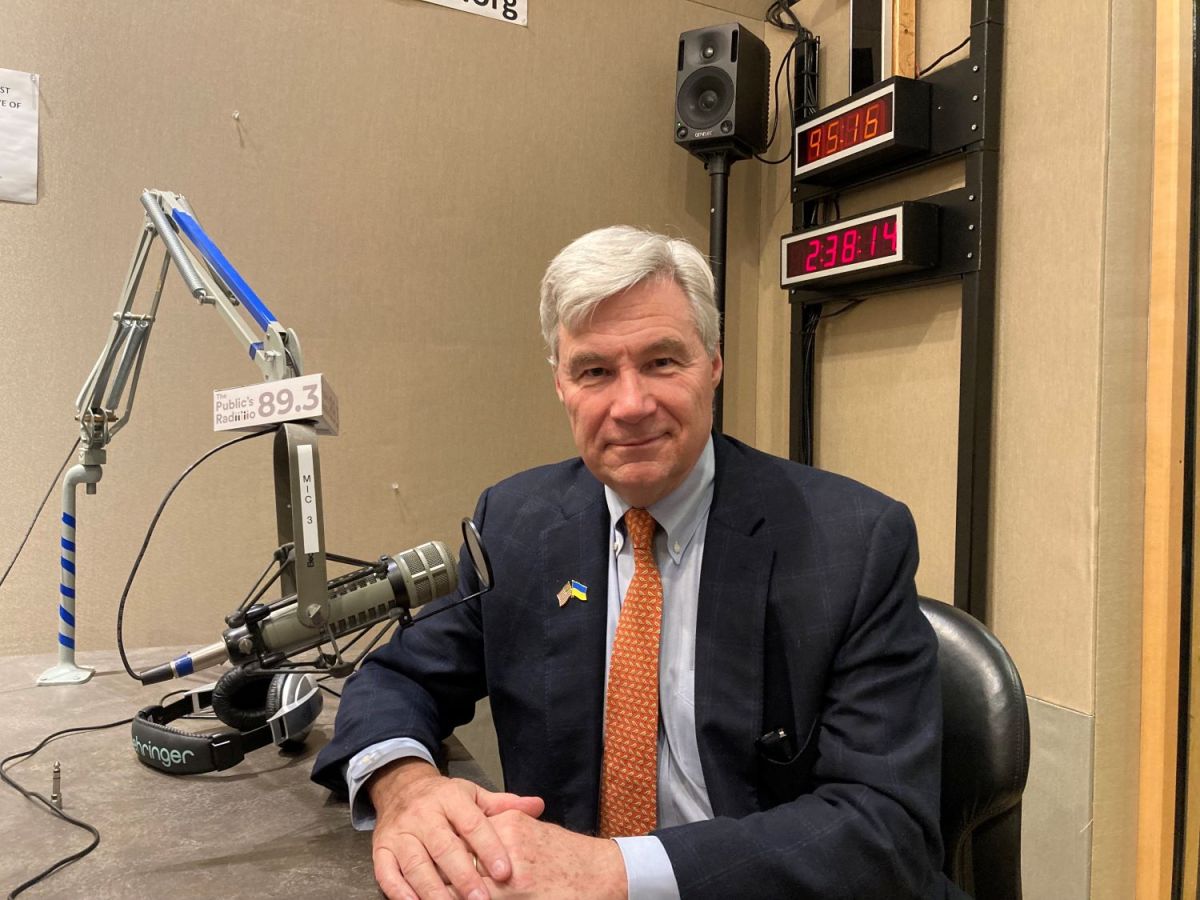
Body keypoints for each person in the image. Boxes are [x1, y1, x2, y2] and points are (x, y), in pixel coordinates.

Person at [312, 226, 963, 899]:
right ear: (560, 383)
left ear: (713, 362)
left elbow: (886, 830)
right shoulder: (516, 524)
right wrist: (406, 787)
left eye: (661, 362)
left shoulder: (852, 543)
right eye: (595, 370)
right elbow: (396, 679)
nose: (630, 405)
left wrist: (615, 872)